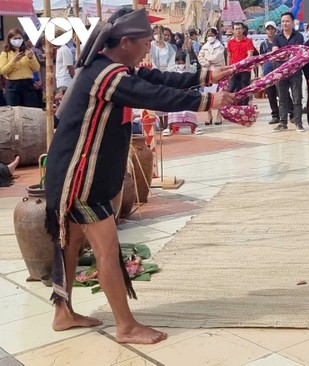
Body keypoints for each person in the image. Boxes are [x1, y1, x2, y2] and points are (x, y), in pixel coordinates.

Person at [44, 8, 235, 345]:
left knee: (72, 243)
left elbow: (158, 80)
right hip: (80, 179)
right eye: (145, 41)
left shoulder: (113, 68)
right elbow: (154, 95)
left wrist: (206, 77)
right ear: (126, 42)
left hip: (75, 173)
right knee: (106, 249)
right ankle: (126, 326)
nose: (149, 46)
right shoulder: (108, 76)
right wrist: (207, 101)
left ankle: (63, 312)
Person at [272, 12, 306, 132]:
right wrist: (286, 54)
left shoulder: (299, 36)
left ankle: (298, 123)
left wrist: (284, 54)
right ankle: (282, 122)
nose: (284, 24)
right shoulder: (277, 37)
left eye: (287, 21)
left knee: (297, 98)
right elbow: (275, 54)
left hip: (295, 72)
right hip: (280, 72)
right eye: (282, 21)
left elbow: (297, 54)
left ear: (292, 22)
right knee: (282, 98)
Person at [0, 28, 40, 107]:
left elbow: (36, 68)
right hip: (13, 85)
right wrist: (14, 61)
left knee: (30, 109)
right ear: (9, 39)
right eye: (15, 38)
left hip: (27, 84)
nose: (17, 40)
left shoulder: (27, 51)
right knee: (14, 111)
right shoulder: (5, 53)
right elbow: (3, 71)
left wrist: (31, 58)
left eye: (19, 38)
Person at [198, 27, 226, 126]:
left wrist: (208, 59)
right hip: (207, 72)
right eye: (208, 35)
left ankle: (219, 116)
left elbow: (217, 58)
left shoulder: (220, 46)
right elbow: (200, 57)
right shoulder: (204, 47)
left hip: (218, 72)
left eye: (212, 35)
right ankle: (209, 116)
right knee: (207, 95)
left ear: (216, 35)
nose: (210, 37)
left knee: (218, 94)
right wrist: (206, 62)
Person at [227, 22, 254, 106]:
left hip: (245, 69)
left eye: (239, 29)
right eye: (236, 29)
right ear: (233, 30)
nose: (238, 31)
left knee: (244, 88)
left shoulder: (248, 41)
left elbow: (250, 55)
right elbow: (229, 56)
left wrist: (242, 64)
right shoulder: (230, 42)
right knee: (232, 88)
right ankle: (233, 107)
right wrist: (228, 68)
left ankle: (244, 107)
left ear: (243, 30)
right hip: (234, 69)